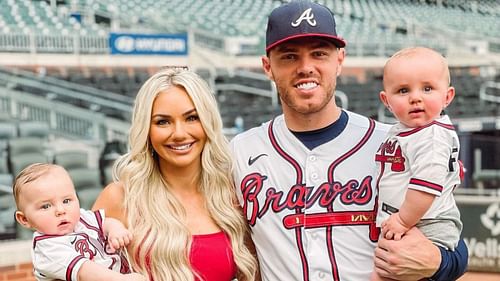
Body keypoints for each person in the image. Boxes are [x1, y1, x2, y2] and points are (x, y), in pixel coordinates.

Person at [229, 1, 468, 280]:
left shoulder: (390, 142)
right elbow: (242, 250)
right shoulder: (241, 151)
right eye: (289, 56)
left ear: (340, 60)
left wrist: (439, 262)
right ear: (268, 66)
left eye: (319, 54)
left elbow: (452, 241)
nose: (306, 67)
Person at [92, 68, 258, 281]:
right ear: (147, 130)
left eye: (192, 118)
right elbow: (67, 265)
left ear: (208, 123)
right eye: (163, 121)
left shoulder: (233, 195)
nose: (179, 134)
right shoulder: (120, 198)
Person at [371, 47, 463, 281]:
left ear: (448, 96)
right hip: (415, 221)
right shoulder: (408, 132)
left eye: (428, 88)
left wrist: (402, 220)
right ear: (386, 100)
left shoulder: (431, 136)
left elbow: (425, 186)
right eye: (403, 90)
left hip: (427, 224)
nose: (416, 97)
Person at [12, 163, 146, 281]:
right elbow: (84, 272)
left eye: (66, 201)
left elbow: (105, 222)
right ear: (24, 219)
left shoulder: (80, 218)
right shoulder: (48, 248)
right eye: (46, 206)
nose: (60, 210)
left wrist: (116, 230)